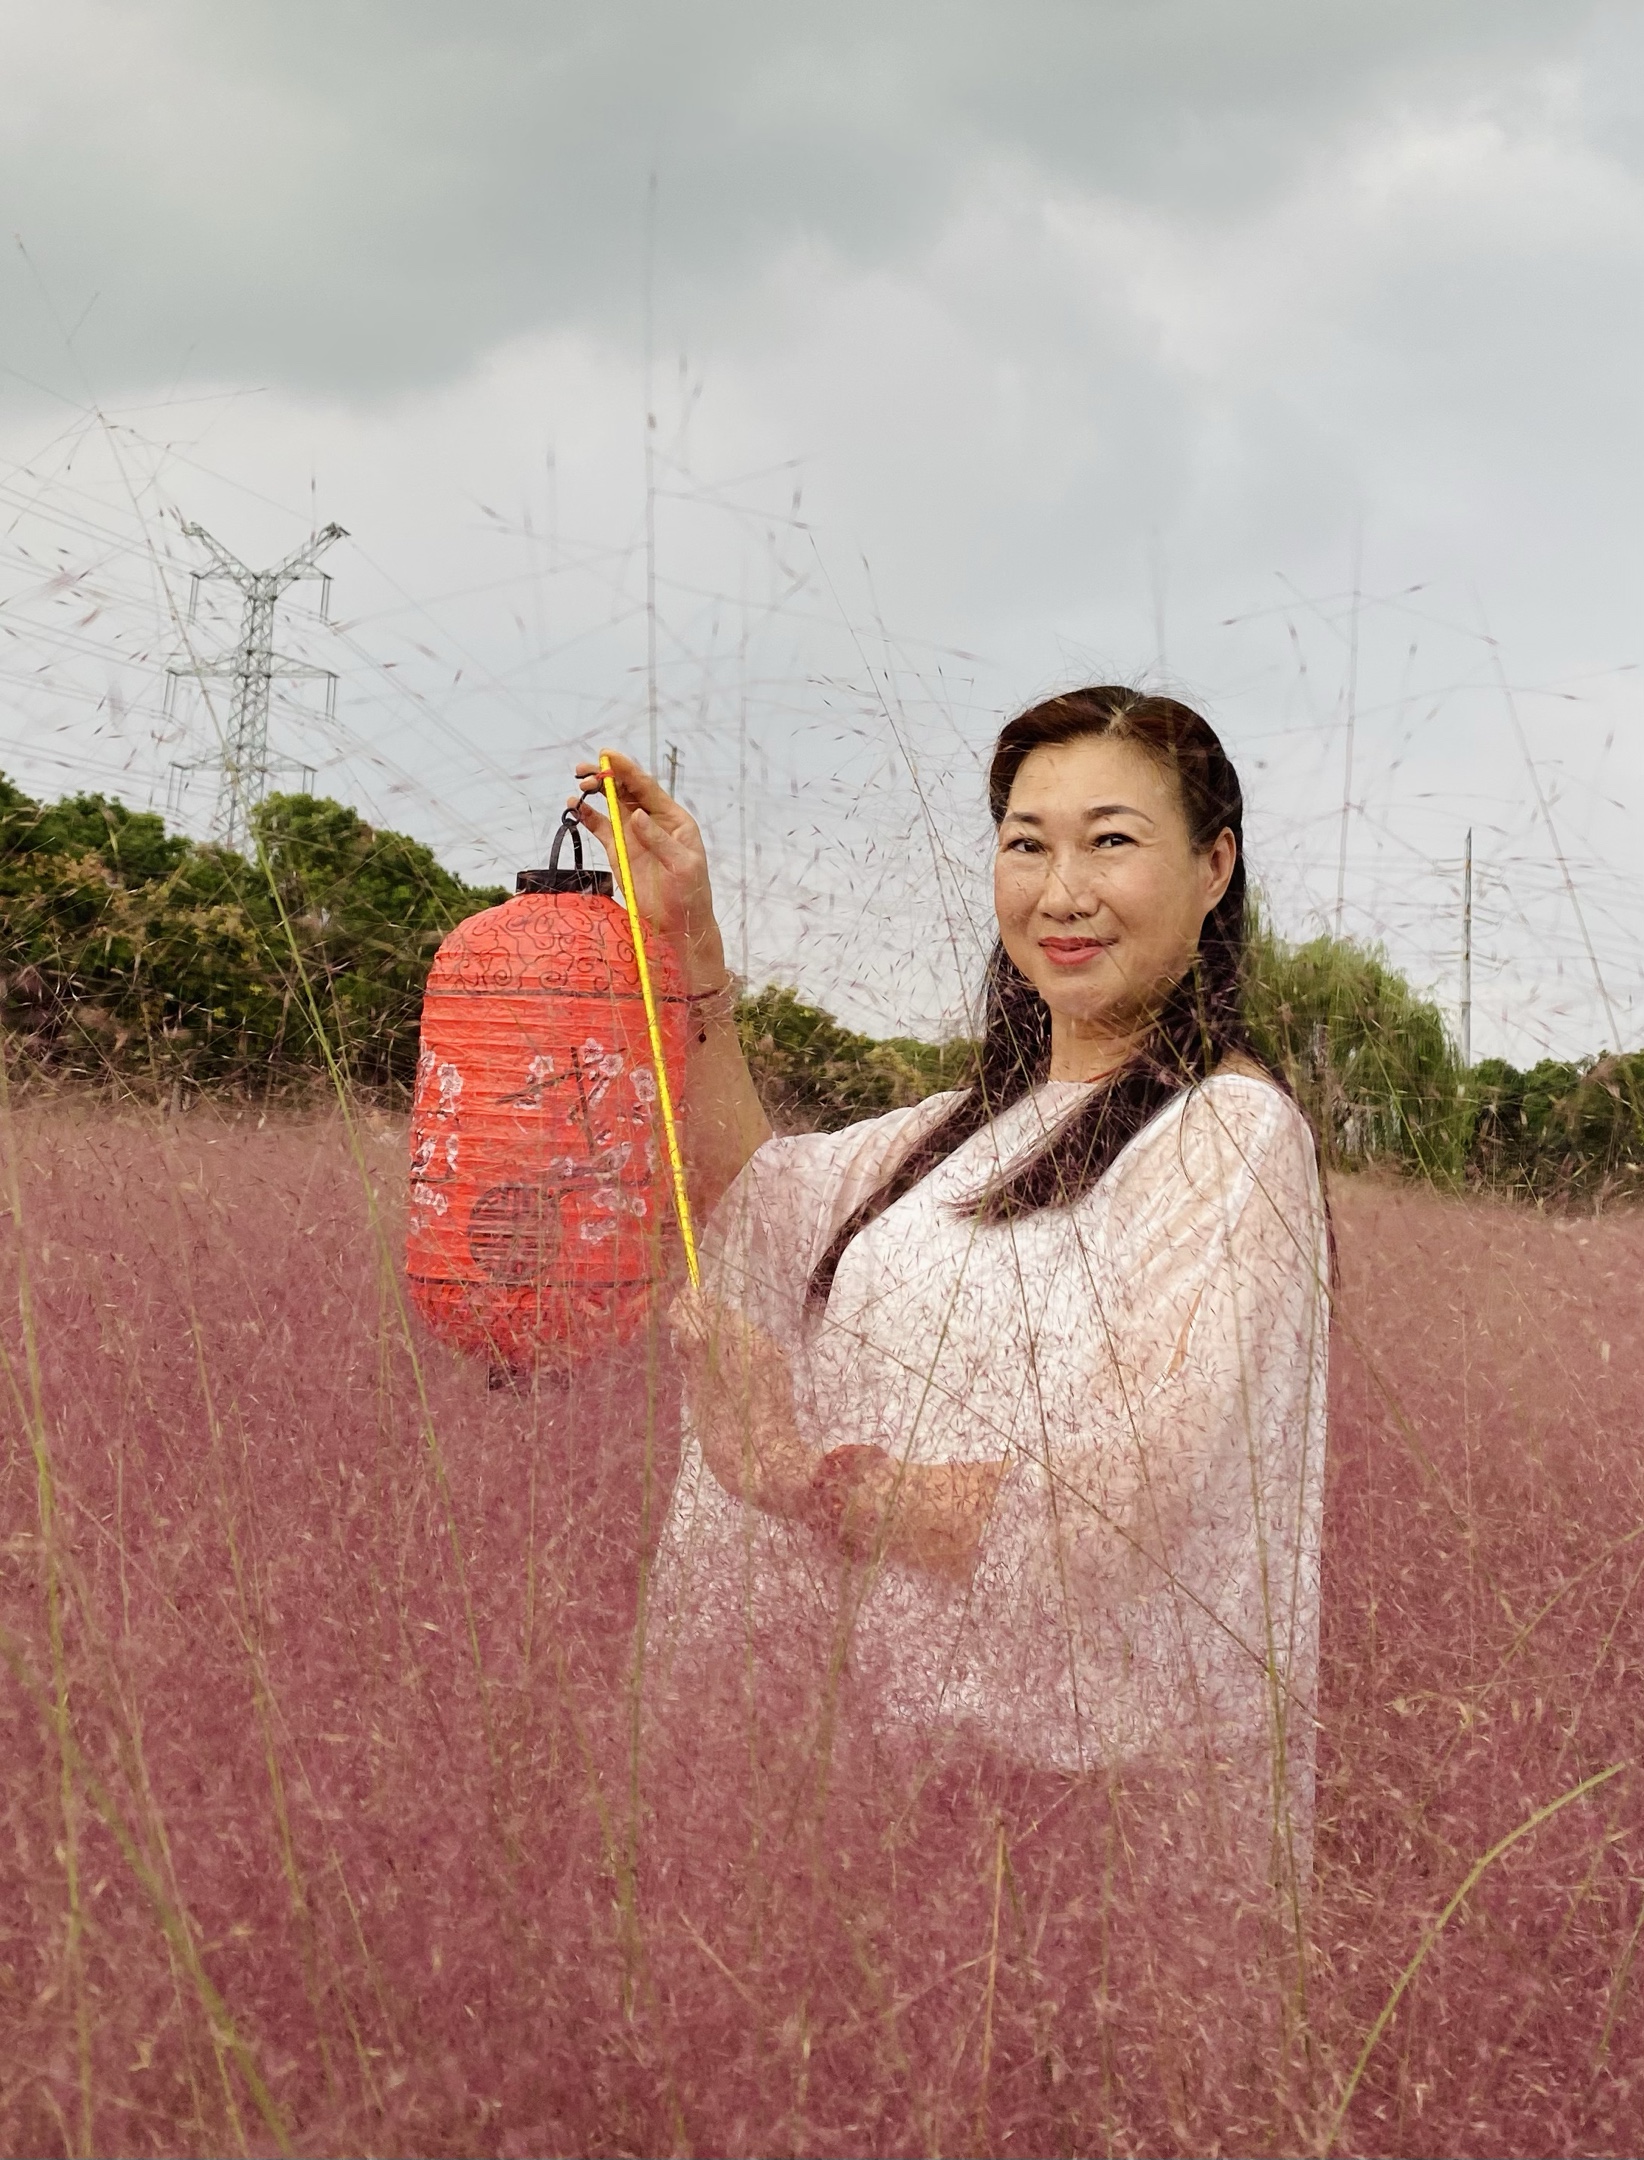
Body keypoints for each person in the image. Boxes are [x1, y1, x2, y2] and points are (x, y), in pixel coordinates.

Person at [569, 686, 1330, 1906]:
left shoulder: (1228, 1135)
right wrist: (687, 941)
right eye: (1026, 843)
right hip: (904, 1784)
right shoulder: (958, 1137)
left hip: (1102, 1819)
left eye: (1112, 840)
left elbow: (1112, 1515)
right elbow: (745, 1194)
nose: (1060, 890)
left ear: (1214, 867)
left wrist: (796, 1473)